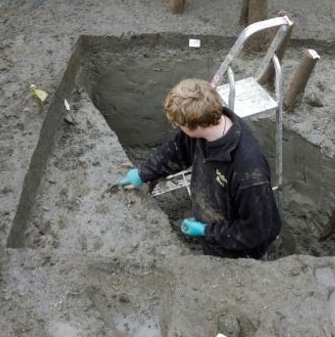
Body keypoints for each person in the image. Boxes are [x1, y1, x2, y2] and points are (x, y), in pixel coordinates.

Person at [119, 78, 281, 259]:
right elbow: (176, 151)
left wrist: (206, 230)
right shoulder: (204, 129)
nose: (178, 128)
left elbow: (256, 231)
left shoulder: (248, 171)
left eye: (179, 125)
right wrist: (143, 174)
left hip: (241, 250)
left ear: (194, 126)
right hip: (217, 223)